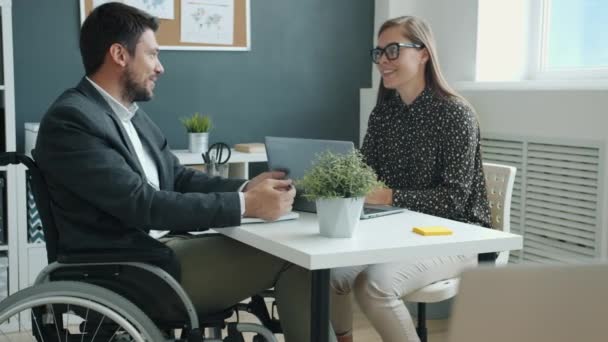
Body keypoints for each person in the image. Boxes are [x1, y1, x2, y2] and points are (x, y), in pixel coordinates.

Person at [33, 3, 334, 341]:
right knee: (299, 260)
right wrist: (245, 205)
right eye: (152, 55)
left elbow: (180, 179)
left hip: (158, 253)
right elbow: (143, 204)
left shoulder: (129, 115)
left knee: (297, 258)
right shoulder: (73, 121)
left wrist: (248, 185)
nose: (160, 67)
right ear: (119, 54)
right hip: (128, 272)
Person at [330, 16, 492, 342]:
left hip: (460, 235)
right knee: (328, 273)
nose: (383, 61)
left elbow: (454, 200)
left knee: (373, 285)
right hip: (398, 231)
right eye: (379, 53)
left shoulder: (455, 114)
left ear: (423, 54)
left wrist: (389, 197)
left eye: (393, 50)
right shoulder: (384, 113)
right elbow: (365, 173)